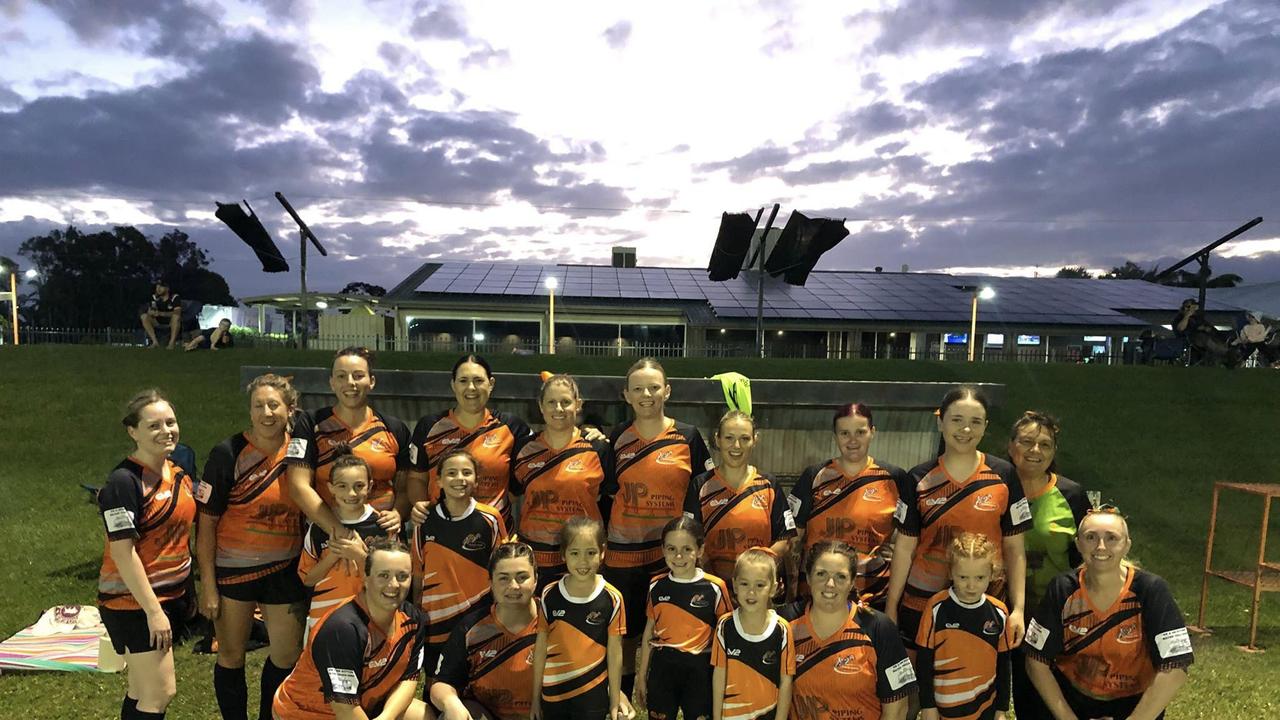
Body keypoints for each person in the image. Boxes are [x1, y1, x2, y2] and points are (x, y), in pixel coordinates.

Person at [886, 386, 1032, 653]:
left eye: (975, 422)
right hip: (923, 600)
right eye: (957, 420)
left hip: (985, 600)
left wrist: (1018, 608)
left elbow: (1014, 548)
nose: (966, 430)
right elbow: (905, 548)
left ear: (985, 426)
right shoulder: (918, 478)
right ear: (940, 421)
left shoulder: (1004, 475)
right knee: (923, 681)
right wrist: (892, 606)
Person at [195, 374, 307, 720]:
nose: (266, 412)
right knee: (231, 654)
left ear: (290, 409)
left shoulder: (301, 450)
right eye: (258, 405)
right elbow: (207, 524)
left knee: (287, 655)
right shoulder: (228, 453)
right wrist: (208, 586)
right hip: (233, 570)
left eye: (274, 405)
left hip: (284, 568)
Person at [603, 357, 713, 691]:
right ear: (626, 395)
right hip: (622, 556)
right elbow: (607, 493)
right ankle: (622, 697)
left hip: (669, 555)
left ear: (667, 390)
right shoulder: (617, 437)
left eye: (653, 387)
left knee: (669, 624)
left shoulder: (689, 436)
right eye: (638, 388)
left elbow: (701, 492)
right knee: (625, 632)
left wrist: (693, 544)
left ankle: (665, 689)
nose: (646, 394)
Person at [1024, 508, 1193, 720]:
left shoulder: (1151, 590)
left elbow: (1175, 667)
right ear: (1078, 544)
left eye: (1111, 538)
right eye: (1090, 537)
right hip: (1074, 704)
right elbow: (1036, 661)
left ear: (1127, 545)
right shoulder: (1063, 589)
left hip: (1135, 706)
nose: (1100, 546)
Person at [97, 389, 196, 720]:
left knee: (140, 691)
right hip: (133, 603)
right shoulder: (123, 482)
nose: (166, 431)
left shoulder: (179, 472)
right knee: (160, 692)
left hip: (169, 598)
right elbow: (123, 554)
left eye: (170, 422)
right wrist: (153, 612)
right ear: (133, 431)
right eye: (153, 425)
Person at [272, 537, 435, 720]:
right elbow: (345, 710)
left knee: (424, 715)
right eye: (383, 575)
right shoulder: (342, 629)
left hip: (365, 704)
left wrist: (386, 717)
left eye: (402, 576)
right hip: (307, 713)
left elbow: (408, 679)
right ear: (365, 578)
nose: (394, 585)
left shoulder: (414, 620)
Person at [1006, 412, 1090, 720]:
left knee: (1054, 699)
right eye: (1027, 441)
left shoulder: (1071, 495)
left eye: (1045, 444)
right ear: (1011, 445)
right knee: (1019, 698)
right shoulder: (994, 489)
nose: (1035, 451)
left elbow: (1086, 560)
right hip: (1003, 613)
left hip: (1056, 616)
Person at [790, 402, 910, 609]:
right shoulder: (814, 477)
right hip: (816, 596)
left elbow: (907, 542)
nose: (852, 440)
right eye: (845, 433)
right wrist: (791, 595)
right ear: (835, 436)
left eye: (860, 432)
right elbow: (793, 539)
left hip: (872, 596)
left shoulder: (895, 479)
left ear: (872, 432)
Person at [784, 540, 916, 720]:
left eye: (841, 576)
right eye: (821, 574)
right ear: (808, 577)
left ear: (853, 581)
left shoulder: (879, 628)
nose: (830, 584)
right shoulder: (784, 624)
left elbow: (898, 708)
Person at [286, 346, 406, 537]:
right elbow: (298, 486)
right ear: (332, 383)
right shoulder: (311, 423)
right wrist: (340, 533)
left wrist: (399, 512)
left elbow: (405, 488)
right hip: (328, 535)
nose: (350, 383)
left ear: (371, 381)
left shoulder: (394, 428)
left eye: (358, 376)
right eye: (341, 376)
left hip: (382, 538)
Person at [510, 373, 612, 591]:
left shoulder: (598, 448)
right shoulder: (525, 449)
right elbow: (509, 495)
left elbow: (611, 498)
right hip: (535, 556)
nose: (558, 409)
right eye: (552, 402)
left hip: (582, 557)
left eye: (566, 402)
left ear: (578, 404)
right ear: (541, 406)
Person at [408, 354, 533, 529]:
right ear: (453, 385)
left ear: (491, 384)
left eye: (478, 380)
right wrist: (420, 505)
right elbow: (416, 477)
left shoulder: (512, 427)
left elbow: (527, 473)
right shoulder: (430, 426)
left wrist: (498, 502)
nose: (471, 388)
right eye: (463, 381)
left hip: (494, 532)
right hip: (442, 530)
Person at [634, 516, 732, 720]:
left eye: (687, 549)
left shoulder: (715, 587)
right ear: (663, 550)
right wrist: (641, 676)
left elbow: (726, 637)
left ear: (700, 550)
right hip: (663, 670)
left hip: (701, 671)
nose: (679, 556)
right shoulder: (656, 586)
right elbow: (648, 634)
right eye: (671, 549)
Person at [429, 540, 540, 720]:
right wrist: (451, 703)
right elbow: (442, 683)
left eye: (522, 577)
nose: (513, 586)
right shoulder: (472, 629)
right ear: (491, 582)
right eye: (503, 578)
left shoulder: (553, 623)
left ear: (535, 579)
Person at [409, 450, 508, 648]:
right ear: (438, 481)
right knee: (434, 678)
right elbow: (418, 573)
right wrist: (416, 613)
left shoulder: (491, 518)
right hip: (435, 620)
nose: (459, 478)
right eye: (451, 473)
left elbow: (502, 569)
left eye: (466, 472)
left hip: (479, 618)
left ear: (476, 480)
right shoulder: (424, 520)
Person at [533, 516, 628, 720]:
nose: (583, 561)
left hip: (592, 696)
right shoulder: (549, 594)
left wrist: (614, 701)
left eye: (591, 553)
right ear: (563, 554)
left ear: (602, 552)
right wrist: (535, 698)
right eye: (575, 553)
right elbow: (540, 647)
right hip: (553, 694)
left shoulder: (612, 598)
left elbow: (614, 651)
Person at [684, 410, 795, 581]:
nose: (736, 446)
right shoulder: (700, 486)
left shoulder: (768, 485)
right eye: (729, 438)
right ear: (717, 439)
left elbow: (784, 540)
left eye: (744, 438)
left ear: (754, 440)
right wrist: (713, 580)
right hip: (713, 586)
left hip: (756, 588)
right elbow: (690, 539)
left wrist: (755, 575)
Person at [915, 533, 1013, 720]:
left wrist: (1001, 708)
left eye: (979, 578)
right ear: (951, 573)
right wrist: (927, 705)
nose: (971, 585)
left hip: (985, 708)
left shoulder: (999, 612)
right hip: (944, 708)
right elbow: (924, 661)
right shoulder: (936, 606)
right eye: (963, 577)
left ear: (991, 575)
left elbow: (1004, 664)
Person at [297, 452, 391, 638]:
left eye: (359, 486)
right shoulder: (319, 528)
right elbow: (308, 579)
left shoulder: (383, 526)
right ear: (330, 488)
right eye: (342, 486)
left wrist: (360, 556)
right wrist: (333, 555)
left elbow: (391, 579)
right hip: (324, 619)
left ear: (370, 486)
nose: (351, 493)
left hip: (370, 618)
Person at [711, 547, 795, 720]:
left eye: (759, 585)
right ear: (734, 584)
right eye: (744, 583)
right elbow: (719, 675)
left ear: (773, 588)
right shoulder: (725, 626)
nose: (751, 592)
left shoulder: (782, 629)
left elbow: (786, 681)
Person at [140, 281, 182, 349]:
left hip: (170, 322)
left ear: (167, 288)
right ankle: (155, 342)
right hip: (157, 322)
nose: (158, 288)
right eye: (157, 286)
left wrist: (160, 313)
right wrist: (150, 312)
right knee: (144, 316)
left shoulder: (174, 297)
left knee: (176, 317)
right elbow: (150, 310)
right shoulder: (154, 298)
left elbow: (177, 312)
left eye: (161, 286)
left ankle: (171, 343)